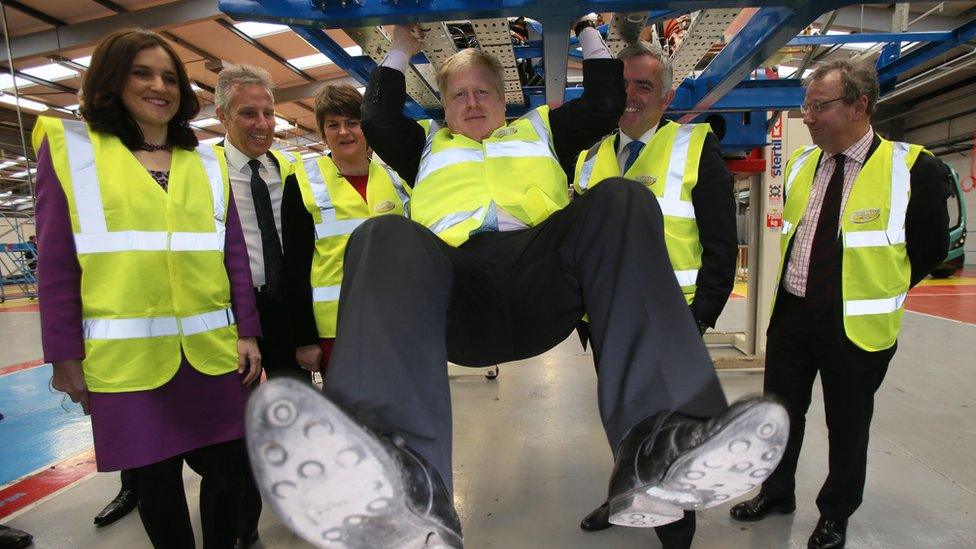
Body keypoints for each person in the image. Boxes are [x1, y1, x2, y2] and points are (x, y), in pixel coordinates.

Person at [245, 22, 788, 547]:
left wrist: (585, 27)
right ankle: (404, 482)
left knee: (622, 199)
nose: (472, 102)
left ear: (505, 101)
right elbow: (380, 116)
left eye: (483, 91)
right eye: (458, 95)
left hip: (540, 275)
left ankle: (658, 444)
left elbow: (603, 102)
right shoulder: (426, 147)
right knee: (381, 234)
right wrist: (402, 46)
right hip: (459, 291)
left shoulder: (541, 131)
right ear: (444, 105)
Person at [34, 28, 262, 548]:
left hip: (210, 353)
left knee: (231, 472)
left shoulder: (205, 161)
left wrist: (247, 330)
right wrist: (64, 354)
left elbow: (232, 257)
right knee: (157, 486)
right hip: (129, 363)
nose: (159, 86)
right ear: (112, 81)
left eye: (168, 76)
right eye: (142, 72)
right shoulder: (74, 152)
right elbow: (57, 263)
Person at [728, 59, 950, 549]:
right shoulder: (805, 164)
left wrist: (877, 287)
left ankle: (835, 514)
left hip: (854, 324)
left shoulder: (912, 167)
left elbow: (930, 248)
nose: (808, 116)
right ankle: (776, 492)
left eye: (819, 106)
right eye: (805, 106)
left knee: (847, 424)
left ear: (859, 106)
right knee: (780, 414)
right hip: (793, 315)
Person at [572, 41, 737, 547]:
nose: (630, 95)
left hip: (671, 323)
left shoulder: (691, 147)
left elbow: (721, 241)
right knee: (622, 419)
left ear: (665, 98)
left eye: (643, 85)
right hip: (607, 324)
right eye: (621, 84)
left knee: (671, 432)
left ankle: (676, 530)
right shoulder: (587, 158)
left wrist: (700, 316)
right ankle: (626, 493)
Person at [211, 62, 303, 549]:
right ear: (222, 114)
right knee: (239, 426)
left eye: (269, 113)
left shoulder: (287, 168)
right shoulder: (204, 170)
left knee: (292, 406)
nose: (263, 124)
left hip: (283, 307)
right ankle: (243, 525)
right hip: (233, 314)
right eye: (248, 113)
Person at [282, 84, 410, 373]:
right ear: (323, 132)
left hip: (395, 322)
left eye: (353, 123)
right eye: (333, 125)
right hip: (336, 329)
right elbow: (294, 266)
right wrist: (304, 339)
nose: (344, 132)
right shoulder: (302, 182)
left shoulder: (395, 180)